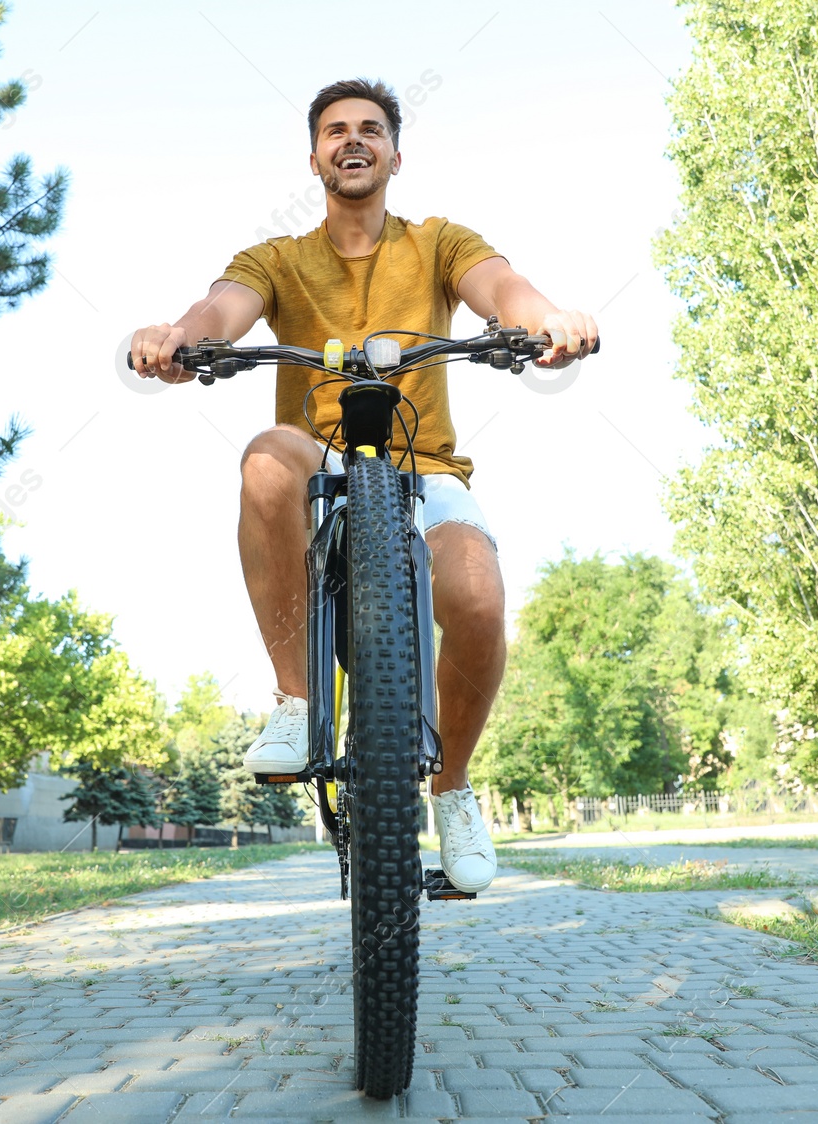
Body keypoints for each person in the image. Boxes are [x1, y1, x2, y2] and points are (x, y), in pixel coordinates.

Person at [130, 77, 598, 893]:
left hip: (428, 470)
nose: (354, 139)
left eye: (371, 129)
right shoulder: (277, 259)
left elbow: (503, 289)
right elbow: (224, 309)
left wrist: (547, 317)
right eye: (337, 130)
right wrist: (177, 337)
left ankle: (450, 790)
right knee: (269, 450)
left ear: (394, 154)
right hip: (323, 467)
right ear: (314, 157)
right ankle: (295, 701)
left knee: (481, 600)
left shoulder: (439, 243)